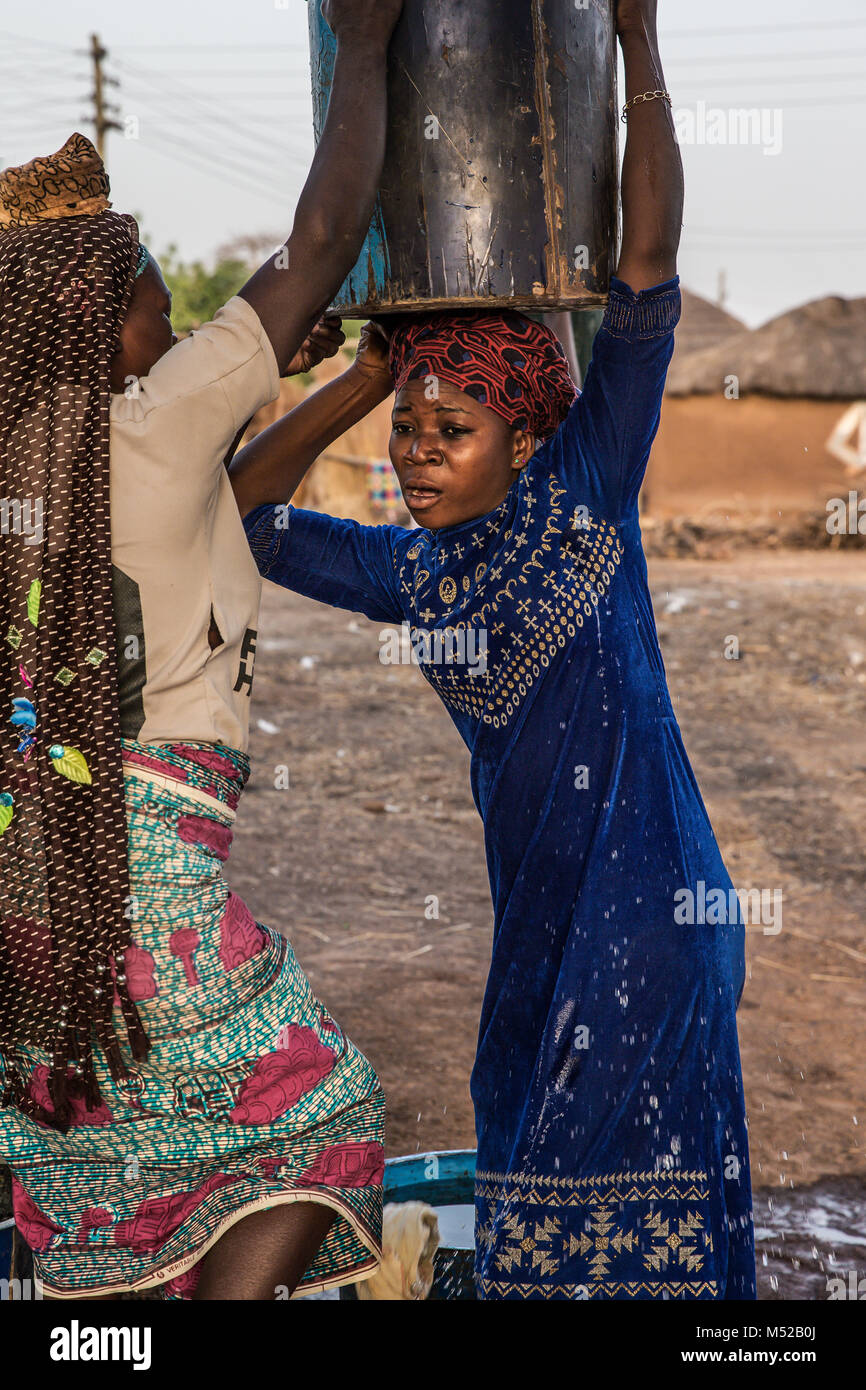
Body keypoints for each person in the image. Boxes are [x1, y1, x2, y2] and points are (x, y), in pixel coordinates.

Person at [233, 0, 756, 1300]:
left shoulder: (585, 485)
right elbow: (239, 511)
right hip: (542, 929)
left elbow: (641, 257)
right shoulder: (410, 571)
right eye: (407, 431)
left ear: (523, 434)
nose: (414, 455)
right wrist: (362, 379)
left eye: (446, 427)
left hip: (647, 920)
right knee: (527, 1192)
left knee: (617, 1228)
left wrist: (634, 43)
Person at [0, 0, 405, 1301]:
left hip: (37, 891)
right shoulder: (149, 419)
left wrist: (351, 390)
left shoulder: (42, 463)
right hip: (147, 892)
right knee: (318, 1104)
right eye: (153, 310)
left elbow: (217, 504)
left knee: (109, 1162)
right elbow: (323, 237)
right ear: (92, 322)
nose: (170, 333)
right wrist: (366, 45)